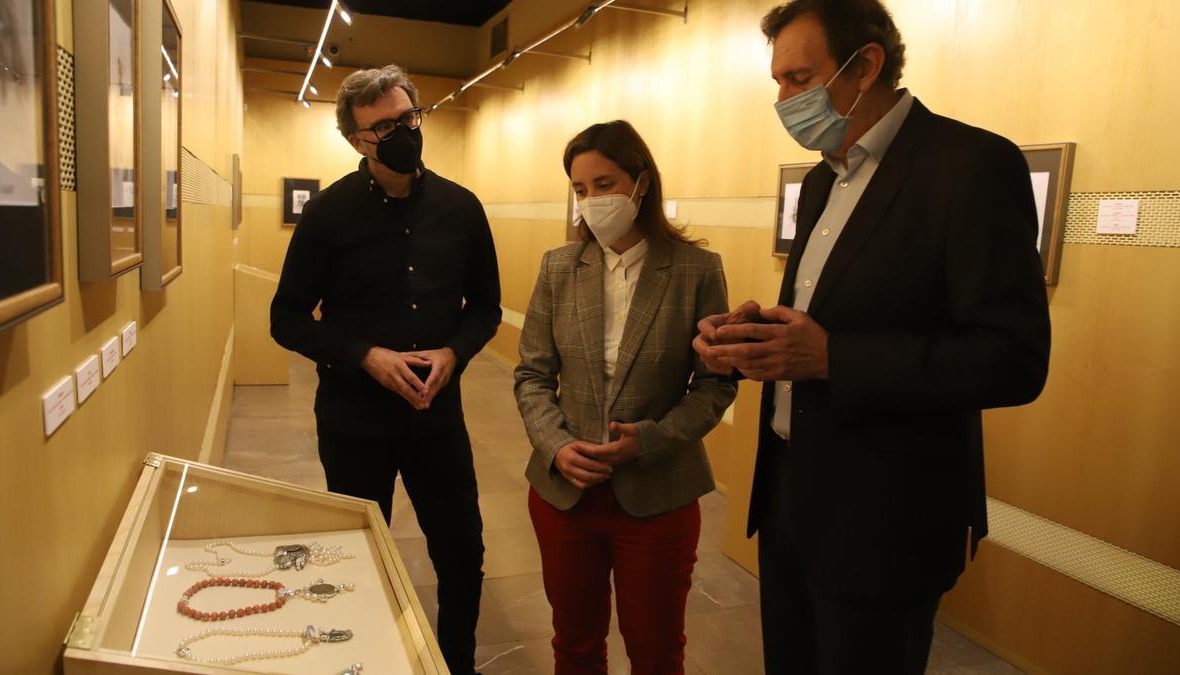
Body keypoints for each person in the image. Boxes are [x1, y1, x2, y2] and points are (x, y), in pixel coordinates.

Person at [693, 2, 1051, 672]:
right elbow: (830, 317)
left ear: (866, 66)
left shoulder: (970, 166)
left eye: (799, 78)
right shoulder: (825, 179)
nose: (784, 100)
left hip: (887, 520)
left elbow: (1014, 357)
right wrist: (752, 340)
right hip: (790, 498)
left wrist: (833, 358)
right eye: (777, 81)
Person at [270, 65, 500, 675]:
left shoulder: (461, 208)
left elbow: (487, 309)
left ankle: (457, 665)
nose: (400, 134)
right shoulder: (327, 215)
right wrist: (364, 356)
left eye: (407, 119)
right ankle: (364, 662)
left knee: (460, 554)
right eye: (381, 128)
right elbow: (287, 318)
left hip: (436, 420)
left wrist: (455, 352)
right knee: (356, 559)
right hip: (353, 423)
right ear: (354, 140)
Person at [514, 120, 738, 675]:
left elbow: (716, 383)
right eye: (580, 189)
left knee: (657, 650)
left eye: (605, 183)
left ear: (641, 183)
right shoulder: (559, 268)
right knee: (575, 642)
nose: (592, 200)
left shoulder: (695, 270)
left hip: (658, 496)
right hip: (565, 494)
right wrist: (555, 445)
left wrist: (652, 440)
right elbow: (532, 375)